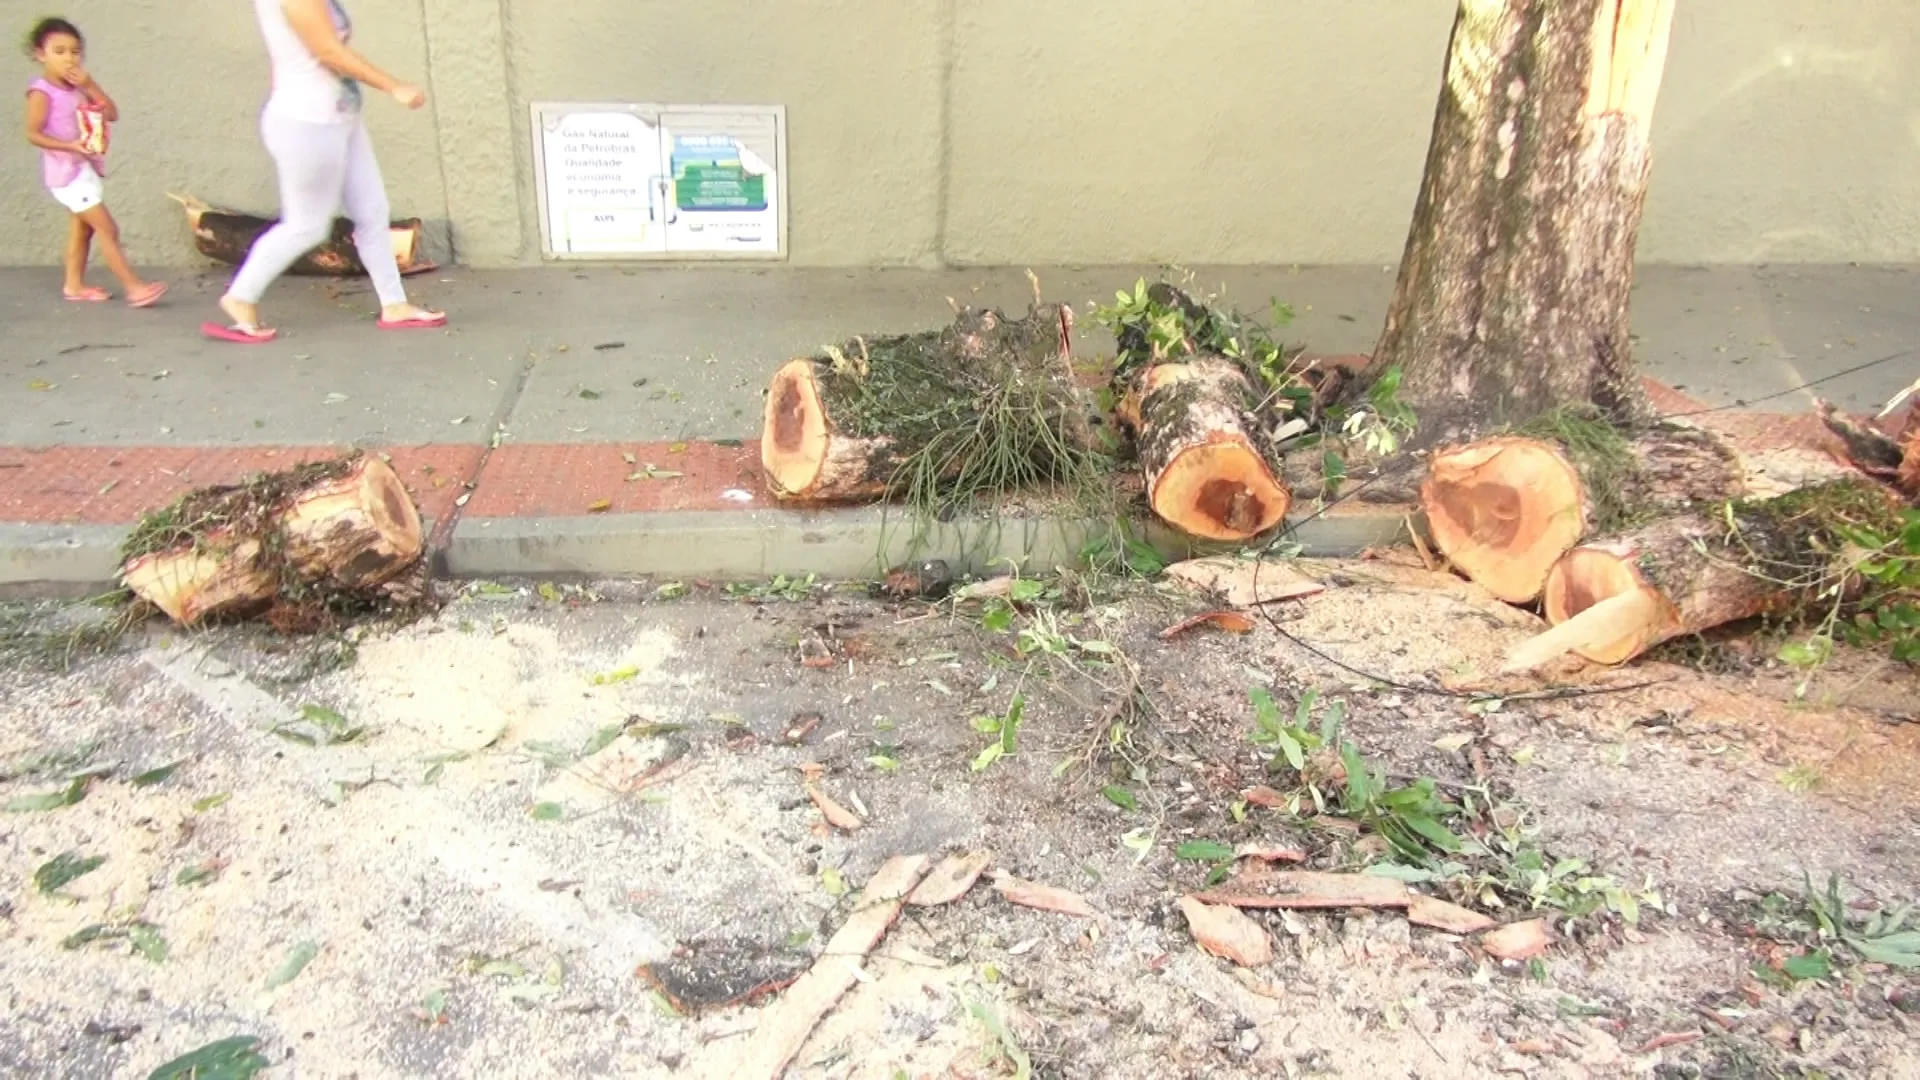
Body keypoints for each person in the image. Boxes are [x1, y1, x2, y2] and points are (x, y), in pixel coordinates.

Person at [206, 0, 445, 344]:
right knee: (306, 226)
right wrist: (394, 86)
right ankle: (241, 298)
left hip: (339, 118)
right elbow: (329, 52)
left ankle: (395, 305)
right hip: (309, 125)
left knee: (372, 212)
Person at [22, 17, 168, 308]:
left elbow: (111, 113)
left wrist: (91, 85)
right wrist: (68, 145)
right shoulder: (41, 92)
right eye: (59, 51)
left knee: (83, 228)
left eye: (75, 52)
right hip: (66, 174)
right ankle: (134, 287)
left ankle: (73, 285)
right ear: (41, 55)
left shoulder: (78, 87)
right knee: (107, 229)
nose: (69, 59)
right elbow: (32, 133)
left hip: (82, 168)